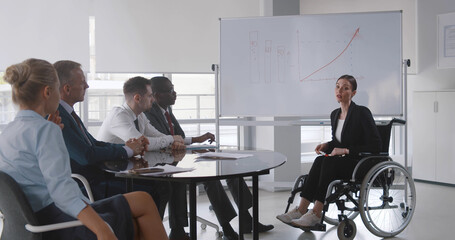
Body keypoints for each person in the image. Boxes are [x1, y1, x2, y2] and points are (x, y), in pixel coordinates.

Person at [0, 58, 168, 240]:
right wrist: (102, 229)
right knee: (139, 215)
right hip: (58, 221)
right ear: (48, 92)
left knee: (142, 201)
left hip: (33, 222)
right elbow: (62, 192)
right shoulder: (45, 130)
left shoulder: (8, 131)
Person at [145, 76, 274, 238]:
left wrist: (198, 142)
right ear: (157, 95)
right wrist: (188, 145)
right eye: (170, 90)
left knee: (229, 168)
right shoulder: (149, 112)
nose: (175, 93)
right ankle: (225, 229)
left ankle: (246, 219)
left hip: (180, 156)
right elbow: (163, 140)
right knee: (211, 179)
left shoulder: (166, 110)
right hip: (164, 163)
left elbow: (179, 135)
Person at [53, 60, 168, 218]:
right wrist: (127, 149)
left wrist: (126, 147)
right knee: (154, 189)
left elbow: (94, 144)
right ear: (67, 88)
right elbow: (86, 155)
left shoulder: (68, 113)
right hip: (87, 186)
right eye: (83, 82)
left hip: (98, 176)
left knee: (160, 184)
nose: (87, 86)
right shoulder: (58, 116)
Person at [276, 74, 382, 227]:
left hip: (358, 163)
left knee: (329, 162)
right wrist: (326, 145)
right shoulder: (335, 114)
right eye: (338, 86)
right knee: (320, 159)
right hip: (341, 162)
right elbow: (338, 142)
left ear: (353, 93)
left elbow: (375, 146)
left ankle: (316, 213)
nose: (340, 90)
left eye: (346, 88)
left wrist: (346, 150)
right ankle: (301, 209)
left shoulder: (362, 113)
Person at [97, 76, 188, 240]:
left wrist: (172, 140)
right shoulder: (119, 115)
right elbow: (142, 143)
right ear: (137, 98)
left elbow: (157, 135)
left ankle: (163, 232)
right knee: (161, 187)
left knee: (169, 183)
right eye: (150, 95)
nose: (153, 100)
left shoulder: (139, 115)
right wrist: (171, 139)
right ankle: (149, 234)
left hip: (130, 168)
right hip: (112, 173)